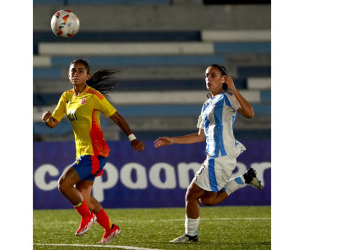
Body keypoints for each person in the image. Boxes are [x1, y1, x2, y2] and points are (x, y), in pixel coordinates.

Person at [154, 64, 263, 243]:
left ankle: (191, 235)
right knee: (207, 200)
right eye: (207, 75)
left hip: (220, 156)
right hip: (214, 156)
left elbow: (250, 113)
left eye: (213, 75)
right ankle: (243, 179)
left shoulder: (228, 97)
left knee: (191, 195)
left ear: (223, 79)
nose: (208, 79)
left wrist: (234, 88)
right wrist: (172, 140)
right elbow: (200, 136)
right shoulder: (207, 104)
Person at [42, 59, 145, 243]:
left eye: (80, 71)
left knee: (63, 184)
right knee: (85, 198)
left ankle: (87, 217)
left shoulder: (94, 96)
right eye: (73, 70)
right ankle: (110, 228)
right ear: (68, 74)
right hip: (82, 153)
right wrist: (47, 119)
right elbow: (53, 123)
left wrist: (132, 138)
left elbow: (116, 116)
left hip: (95, 153)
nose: (76, 73)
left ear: (87, 76)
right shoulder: (66, 97)